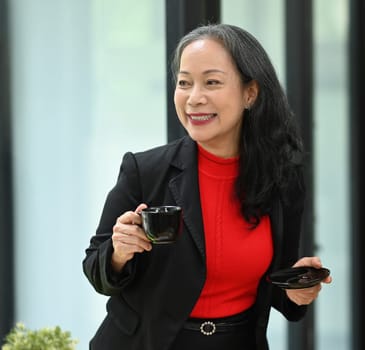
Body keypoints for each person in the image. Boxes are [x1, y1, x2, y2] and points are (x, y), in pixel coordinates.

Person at [82, 23, 331, 350]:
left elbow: (281, 288)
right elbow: (96, 270)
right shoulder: (145, 170)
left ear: (250, 93)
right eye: (184, 83)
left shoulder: (282, 176)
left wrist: (300, 288)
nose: (194, 98)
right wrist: (118, 252)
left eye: (212, 82)